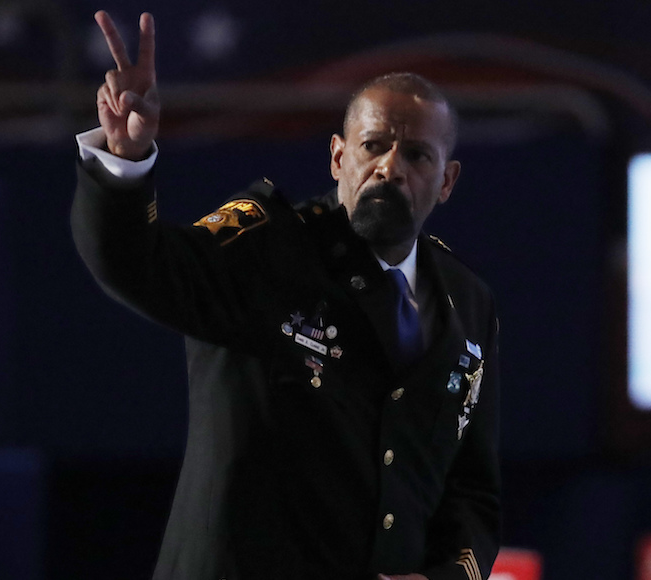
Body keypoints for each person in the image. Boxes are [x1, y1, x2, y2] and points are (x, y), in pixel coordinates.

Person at [71, 11, 500, 580]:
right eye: (373, 145)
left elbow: (472, 489)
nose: (389, 167)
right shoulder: (267, 247)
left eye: (417, 155)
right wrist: (125, 162)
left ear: (446, 181)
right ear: (337, 157)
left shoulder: (467, 303)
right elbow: (139, 267)